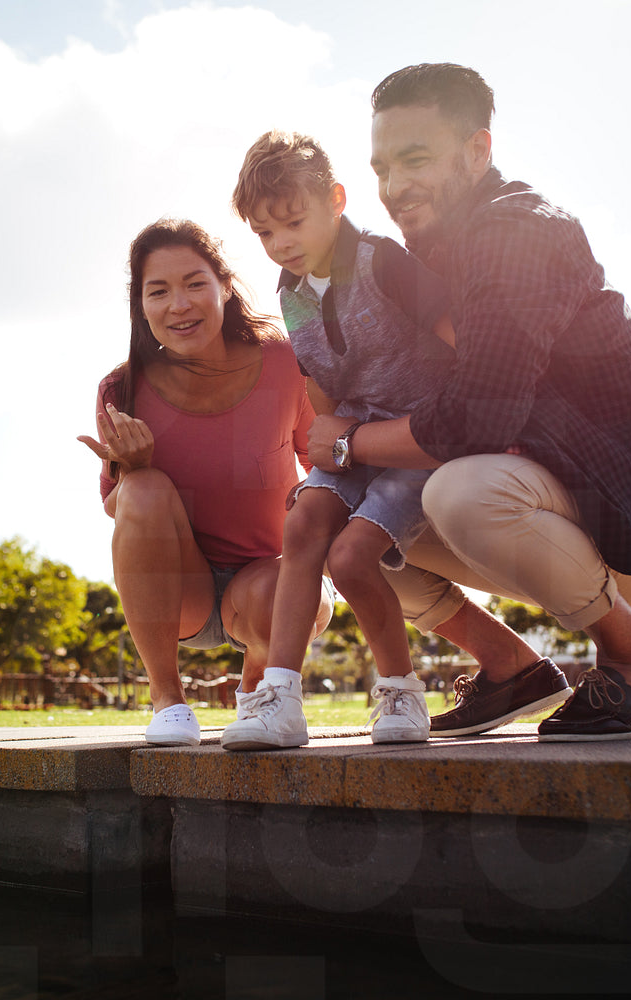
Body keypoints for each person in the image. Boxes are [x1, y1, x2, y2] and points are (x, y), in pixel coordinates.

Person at [303, 62, 631, 741]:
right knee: (340, 517)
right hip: (545, 503)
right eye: (382, 168)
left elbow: (479, 418)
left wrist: (348, 442)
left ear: (477, 151)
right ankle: (509, 667)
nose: (395, 187)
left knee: (459, 491)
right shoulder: (425, 256)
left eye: (416, 160)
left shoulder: (517, 232)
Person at [221, 130, 456, 749]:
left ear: (336, 200)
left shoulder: (385, 262)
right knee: (303, 524)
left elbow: (463, 340)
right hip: (352, 437)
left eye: (293, 222)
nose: (281, 243)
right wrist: (322, 459)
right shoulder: (290, 292)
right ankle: (279, 698)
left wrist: (483, 422)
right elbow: (318, 381)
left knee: (350, 558)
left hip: (415, 441)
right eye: (265, 233)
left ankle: (402, 692)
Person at [78, 218, 333, 747]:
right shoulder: (121, 388)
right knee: (143, 488)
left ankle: (259, 687)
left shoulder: (284, 361)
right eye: (158, 291)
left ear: (225, 286)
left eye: (195, 284)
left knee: (277, 591)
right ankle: (168, 701)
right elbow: (116, 506)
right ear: (140, 305)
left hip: (267, 580)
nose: (179, 305)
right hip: (181, 591)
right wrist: (134, 467)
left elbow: (322, 458)